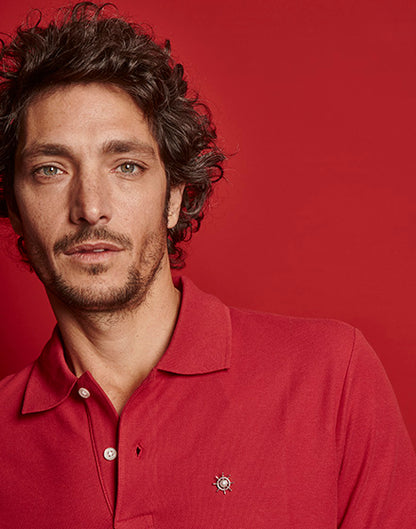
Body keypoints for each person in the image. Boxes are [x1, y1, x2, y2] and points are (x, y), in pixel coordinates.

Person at [0, 3, 415, 528]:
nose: (90, 207)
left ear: (174, 197)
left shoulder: (331, 377)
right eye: (50, 169)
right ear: (14, 206)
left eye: (126, 166)